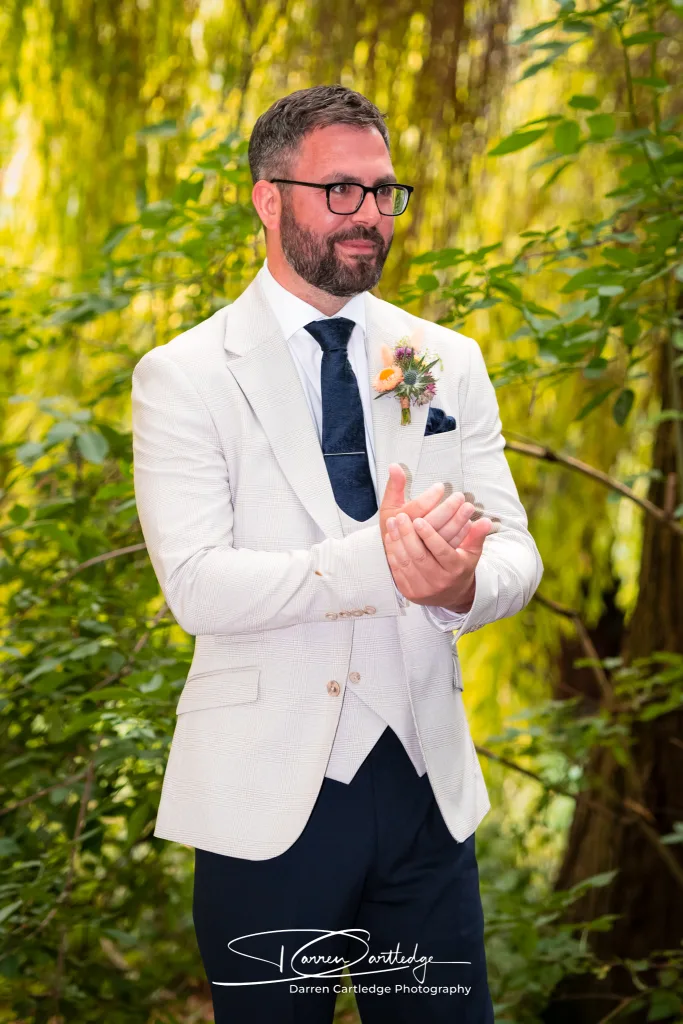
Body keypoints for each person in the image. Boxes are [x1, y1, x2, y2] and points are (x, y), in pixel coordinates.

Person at [131, 83, 543, 1024]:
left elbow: (515, 552)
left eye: (384, 191)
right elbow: (197, 585)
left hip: (425, 798)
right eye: (340, 191)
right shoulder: (185, 375)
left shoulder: (442, 360)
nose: (369, 215)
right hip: (264, 802)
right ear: (268, 199)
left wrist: (462, 585)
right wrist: (381, 566)